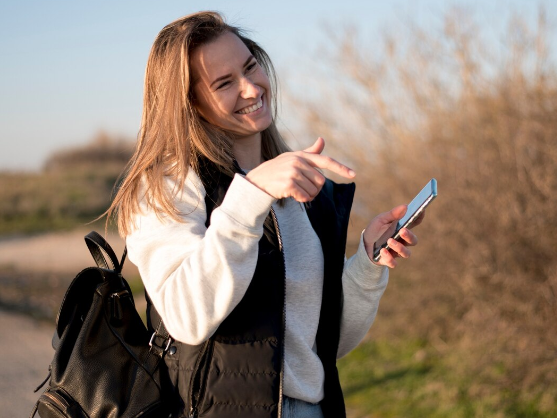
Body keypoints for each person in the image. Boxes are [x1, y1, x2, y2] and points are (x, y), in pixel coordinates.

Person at [106, 11, 423, 418]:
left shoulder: (296, 189)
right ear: (189, 105)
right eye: (224, 83)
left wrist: (367, 263)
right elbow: (187, 317)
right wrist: (250, 195)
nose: (251, 87)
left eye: (250, 66)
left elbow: (320, 346)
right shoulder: (167, 185)